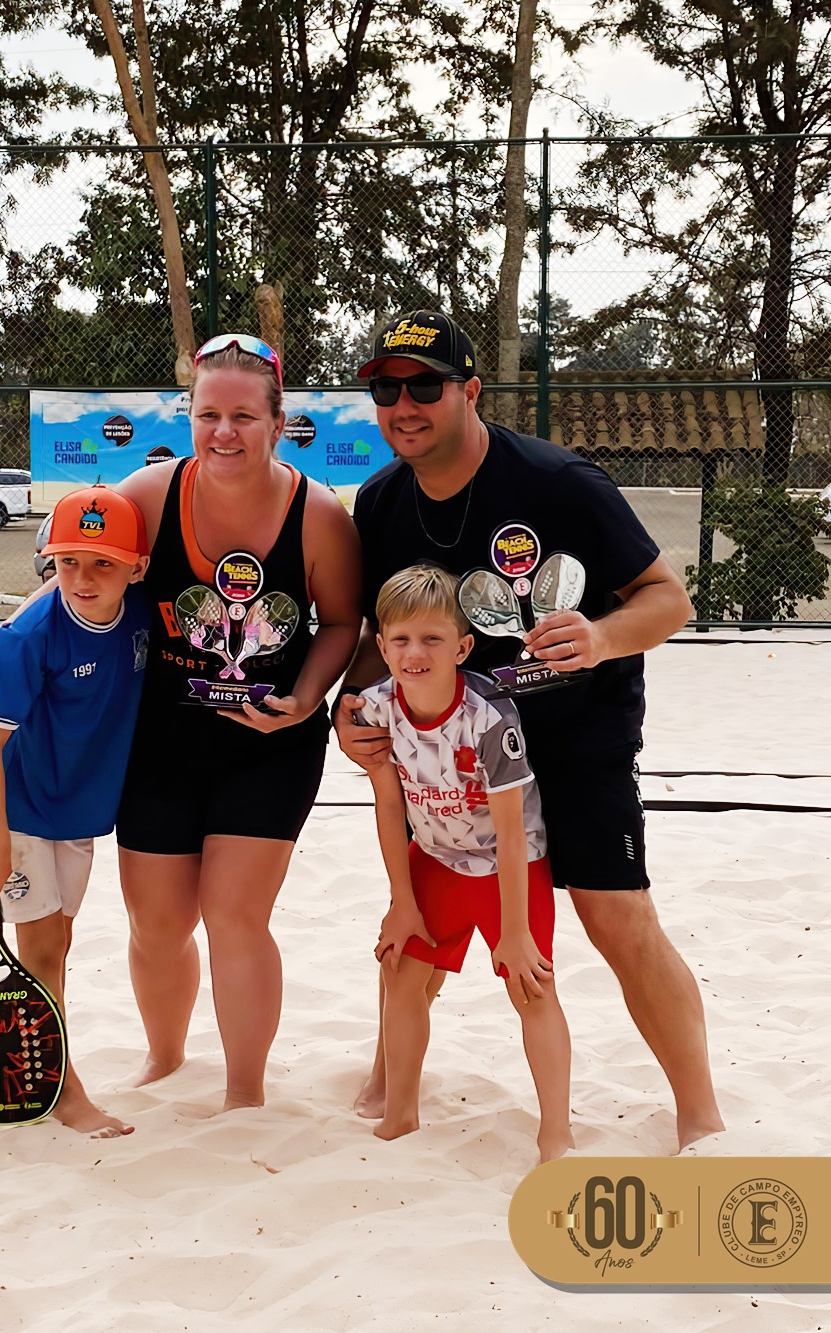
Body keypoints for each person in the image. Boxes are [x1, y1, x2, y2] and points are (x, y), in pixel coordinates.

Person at [338, 310, 723, 1152]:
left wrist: (600, 636)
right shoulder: (381, 502)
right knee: (421, 915)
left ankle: (699, 1112)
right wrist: (351, 701)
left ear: (471, 391)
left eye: (425, 385)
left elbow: (669, 599)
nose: (403, 405)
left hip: (575, 734)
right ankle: (388, 1077)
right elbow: (376, 634)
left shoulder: (559, 483)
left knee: (617, 917)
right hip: (456, 746)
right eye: (386, 390)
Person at [112, 333, 361, 1110]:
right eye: (208, 414)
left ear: (277, 424)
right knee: (158, 922)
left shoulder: (317, 516)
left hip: (269, 742)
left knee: (235, 915)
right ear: (188, 417)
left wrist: (306, 698)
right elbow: (84, 579)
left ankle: (244, 1093)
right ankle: (164, 1056)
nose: (224, 431)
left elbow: (342, 622)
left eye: (244, 416)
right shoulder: (147, 497)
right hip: (162, 739)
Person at [359, 566, 572, 1157]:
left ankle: (556, 1131)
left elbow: (511, 831)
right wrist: (401, 903)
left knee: (532, 987)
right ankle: (400, 1113)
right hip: (435, 858)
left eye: (432, 638)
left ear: (462, 647)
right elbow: (388, 806)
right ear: (383, 648)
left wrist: (516, 933)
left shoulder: (489, 717)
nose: (415, 653)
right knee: (399, 970)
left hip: (509, 866)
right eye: (401, 640)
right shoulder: (378, 707)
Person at [0, 484, 151, 1138]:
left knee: (58, 944)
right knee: (42, 951)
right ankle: (65, 1092)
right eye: (68, 561)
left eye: (103, 563)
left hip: (80, 808)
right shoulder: (29, 636)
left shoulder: (140, 613)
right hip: (21, 812)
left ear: (137, 566)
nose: (83, 578)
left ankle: (34, 1060)